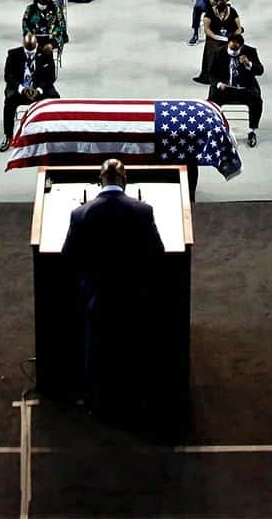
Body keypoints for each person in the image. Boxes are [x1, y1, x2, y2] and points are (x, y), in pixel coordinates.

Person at [61, 159, 165, 415]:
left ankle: (95, 400)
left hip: (97, 295)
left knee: (96, 348)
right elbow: (157, 252)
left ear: (100, 179)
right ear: (124, 179)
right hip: (134, 293)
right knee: (134, 345)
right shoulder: (143, 211)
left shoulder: (80, 214)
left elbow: (68, 256)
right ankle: (136, 398)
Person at [0, 31, 59, 151]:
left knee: (55, 99)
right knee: (9, 103)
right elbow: (8, 76)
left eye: (32, 51)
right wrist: (22, 89)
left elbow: (51, 76)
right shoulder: (13, 55)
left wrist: (39, 90)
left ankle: (53, 134)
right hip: (20, 90)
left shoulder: (46, 55)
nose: (30, 53)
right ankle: (8, 136)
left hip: (38, 90)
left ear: (37, 44)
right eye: (28, 51)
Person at [207, 32, 264, 147]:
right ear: (228, 44)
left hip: (244, 88)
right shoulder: (218, 52)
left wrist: (249, 64)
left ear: (241, 47)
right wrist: (218, 84)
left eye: (236, 49)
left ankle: (252, 131)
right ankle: (214, 130)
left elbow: (260, 71)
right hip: (225, 89)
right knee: (211, 103)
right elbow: (210, 74)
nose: (234, 52)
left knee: (257, 101)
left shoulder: (250, 52)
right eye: (231, 48)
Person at [194, 0, 241, 85]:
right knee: (213, 47)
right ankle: (210, 75)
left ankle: (231, 74)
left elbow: (239, 27)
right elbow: (207, 29)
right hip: (214, 37)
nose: (222, 3)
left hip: (229, 37)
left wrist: (233, 36)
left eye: (224, 1)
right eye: (220, 1)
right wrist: (215, 37)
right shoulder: (210, 12)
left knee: (233, 46)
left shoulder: (232, 12)